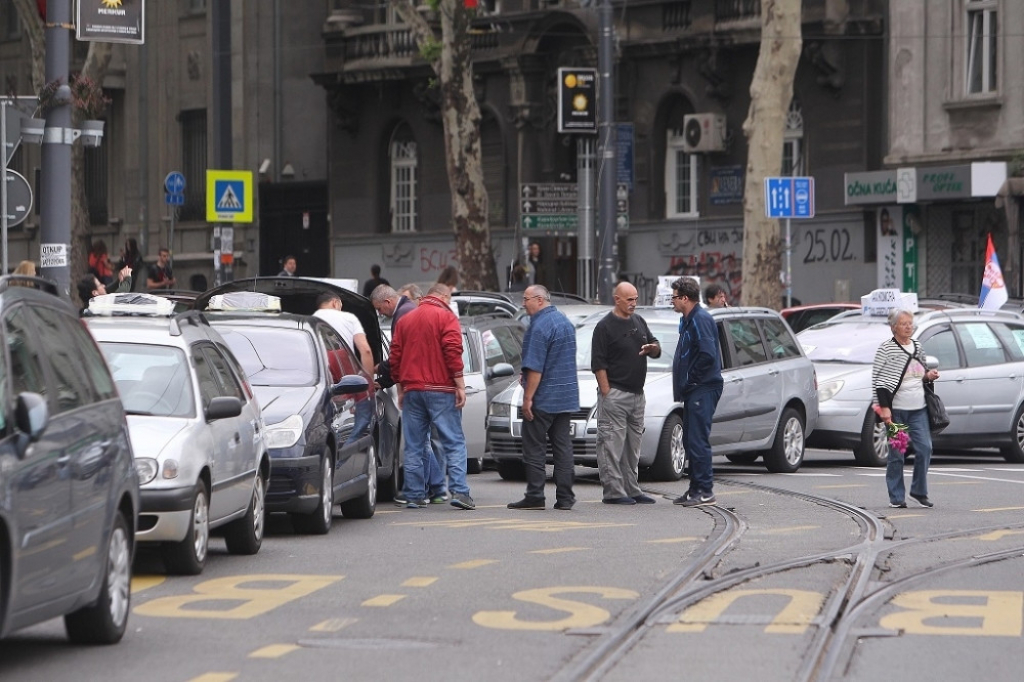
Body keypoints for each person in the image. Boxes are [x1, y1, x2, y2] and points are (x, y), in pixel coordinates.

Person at [389, 283, 476, 511]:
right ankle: (460, 491)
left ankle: (415, 495)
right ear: (444, 297)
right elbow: (453, 351)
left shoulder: (405, 321)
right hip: (442, 390)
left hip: (413, 390)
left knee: (414, 445)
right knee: (454, 441)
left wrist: (400, 389)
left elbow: (395, 357)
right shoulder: (446, 317)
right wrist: (460, 385)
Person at [372, 284, 448, 505]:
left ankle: (423, 490)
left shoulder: (403, 316)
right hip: (429, 384)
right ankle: (434, 488)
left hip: (418, 385)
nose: (379, 314)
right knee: (425, 441)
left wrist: (382, 378)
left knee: (419, 441)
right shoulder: (409, 311)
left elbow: (399, 356)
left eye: (379, 309)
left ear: (387, 302)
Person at [508, 285, 579, 511]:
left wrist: (528, 398)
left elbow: (536, 368)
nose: (523, 303)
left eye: (526, 299)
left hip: (544, 397)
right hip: (566, 395)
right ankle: (566, 497)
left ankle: (535, 495)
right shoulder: (565, 322)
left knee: (535, 447)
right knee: (563, 448)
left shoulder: (538, 327)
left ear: (539, 300)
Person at [591, 282, 661, 505]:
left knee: (633, 446)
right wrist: (607, 393)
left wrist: (653, 349)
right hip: (616, 394)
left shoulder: (638, 321)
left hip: (637, 395)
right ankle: (613, 491)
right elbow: (598, 364)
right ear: (617, 299)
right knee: (611, 443)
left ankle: (631, 488)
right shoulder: (605, 327)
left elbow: (655, 343)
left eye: (636, 299)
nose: (633, 304)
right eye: (629, 299)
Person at [872, 308, 940, 508]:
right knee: (897, 453)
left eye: (910, 323)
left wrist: (928, 375)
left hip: (918, 410)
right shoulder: (886, 349)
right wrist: (884, 409)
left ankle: (919, 491)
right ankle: (896, 496)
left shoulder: (918, 347)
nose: (908, 327)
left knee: (925, 448)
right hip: (897, 412)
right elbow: (879, 381)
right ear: (894, 328)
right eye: (904, 324)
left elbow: (919, 373)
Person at [670, 276, 723, 507]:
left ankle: (705, 490)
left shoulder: (700, 319)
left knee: (698, 440)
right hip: (695, 389)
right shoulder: (689, 319)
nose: (671, 301)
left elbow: (707, 354)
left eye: (673, 297)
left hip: (703, 387)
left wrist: (690, 379)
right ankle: (695, 489)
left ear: (684, 298)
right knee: (691, 439)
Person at [313, 292, 374, 374]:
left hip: (319, 374)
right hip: (344, 376)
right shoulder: (350, 319)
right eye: (340, 307)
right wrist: (369, 381)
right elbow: (366, 350)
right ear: (335, 303)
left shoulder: (309, 322)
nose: (340, 310)